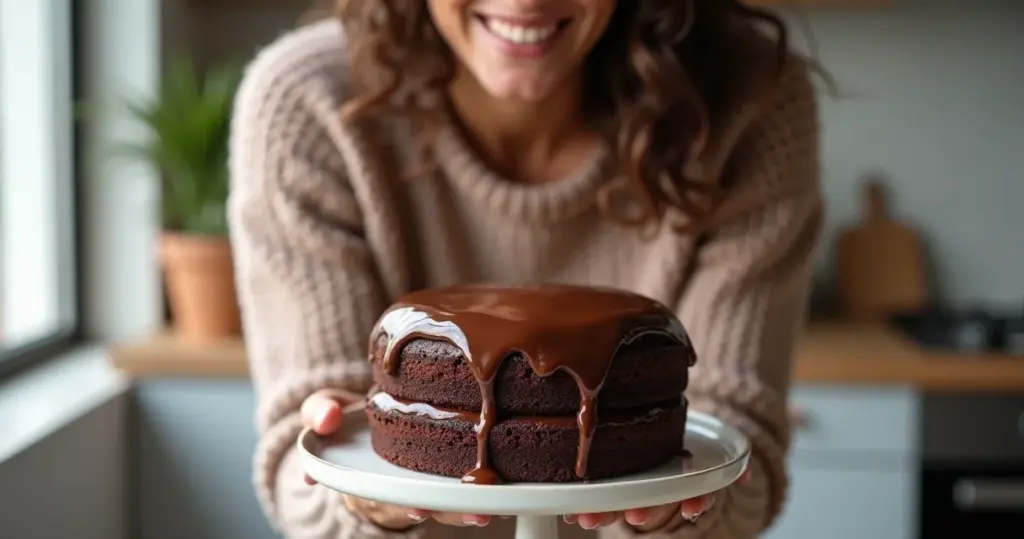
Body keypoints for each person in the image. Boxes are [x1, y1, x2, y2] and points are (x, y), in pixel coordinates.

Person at [227, 0, 823, 537]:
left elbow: (740, 452)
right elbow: (301, 472)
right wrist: (361, 498)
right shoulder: (310, 101)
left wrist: (681, 506)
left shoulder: (747, 99)